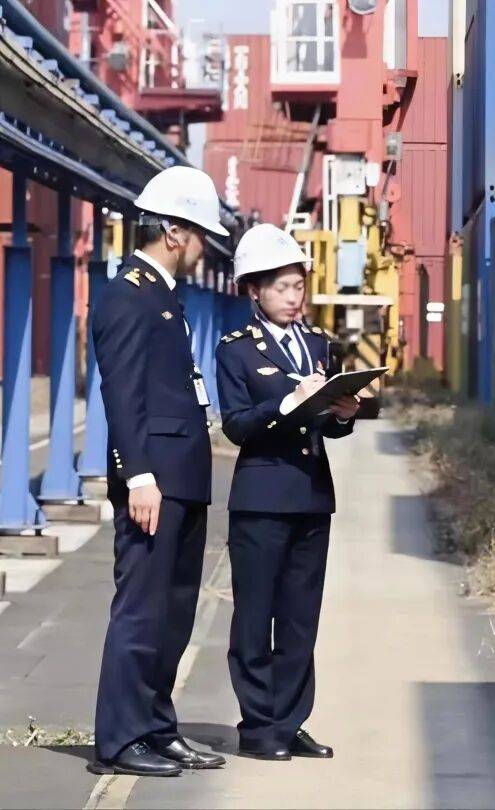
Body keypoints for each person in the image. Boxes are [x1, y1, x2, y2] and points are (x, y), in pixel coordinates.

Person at [90, 166, 230, 777]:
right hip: (155, 482)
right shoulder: (128, 295)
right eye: (200, 235)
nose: (204, 249)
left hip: (183, 478)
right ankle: (120, 740)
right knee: (141, 612)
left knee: (173, 615)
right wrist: (139, 477)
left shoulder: (163, 296)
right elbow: (122, 395)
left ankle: (155, 727)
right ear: (175, 232)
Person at [215, 224, 360, 760]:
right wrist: (284, 404)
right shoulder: (235, 350)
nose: (293, 297)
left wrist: (343, 414)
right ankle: (258, 725)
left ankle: (291, 720)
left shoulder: (319, 344)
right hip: (261, 497)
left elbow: (329, 429)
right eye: (281, 287)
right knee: (256, 615)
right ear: (255, 290)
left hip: (311, 495)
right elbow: (235, 425)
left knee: (301, 617)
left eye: (299, 286)